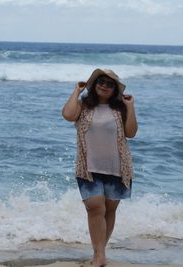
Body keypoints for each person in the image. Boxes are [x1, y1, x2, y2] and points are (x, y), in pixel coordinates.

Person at [62, 69, 138, 267]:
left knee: (109, 210)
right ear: (94, 85)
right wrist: (76, 91)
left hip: (118, 168)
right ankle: (99, 255)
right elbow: (68, 115)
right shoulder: (83, 106)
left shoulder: (120, 109)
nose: (104, 85)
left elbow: (131, 133)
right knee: (95, 207)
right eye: (100, 82)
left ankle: (99, 253)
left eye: (110, 84)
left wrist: (131, 107)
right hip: (88, 167)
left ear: (115, 89)